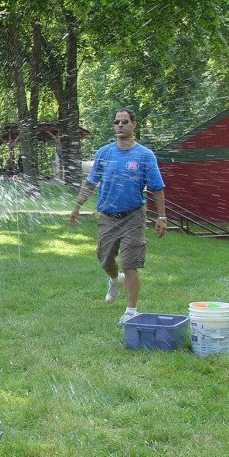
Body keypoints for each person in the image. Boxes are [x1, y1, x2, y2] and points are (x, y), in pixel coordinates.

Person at [69, 108, 167, 324]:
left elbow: (157, 188)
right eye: (116, 122)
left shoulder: (144, 155)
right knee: (104, 260)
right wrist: (77, 206)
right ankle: (115, 279)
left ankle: (131, 310)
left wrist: (162, 217)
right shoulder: (104, 153)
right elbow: (90, 182)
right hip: (107, 216)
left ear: (134, 125)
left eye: (124, 122)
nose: (120, 125)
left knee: (130, 262)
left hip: (133, 216)